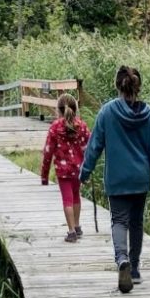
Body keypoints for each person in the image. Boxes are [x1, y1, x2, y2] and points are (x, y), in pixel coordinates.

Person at [78, 65, 150, 293]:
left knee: (119, 220)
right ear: (138, 87)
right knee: (136, 222)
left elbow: (95, 145)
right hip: (140, 179)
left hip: (117, 179)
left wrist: (85, 172)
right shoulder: (149, 115)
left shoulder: (107, 112)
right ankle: (135, 269)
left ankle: (122, 260)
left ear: (118, 85)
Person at [40, 93, 90, 242]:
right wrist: (88, 167)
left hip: (63, 171)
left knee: (67, 199)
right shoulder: (81, 125)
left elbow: (48, 152)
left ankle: (71, 231)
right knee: (76, 196)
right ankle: (77, 225)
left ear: (59, 110)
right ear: (75, 109)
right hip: (78, 169)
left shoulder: (55, 127)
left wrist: (44, 176)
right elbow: (89, 147)